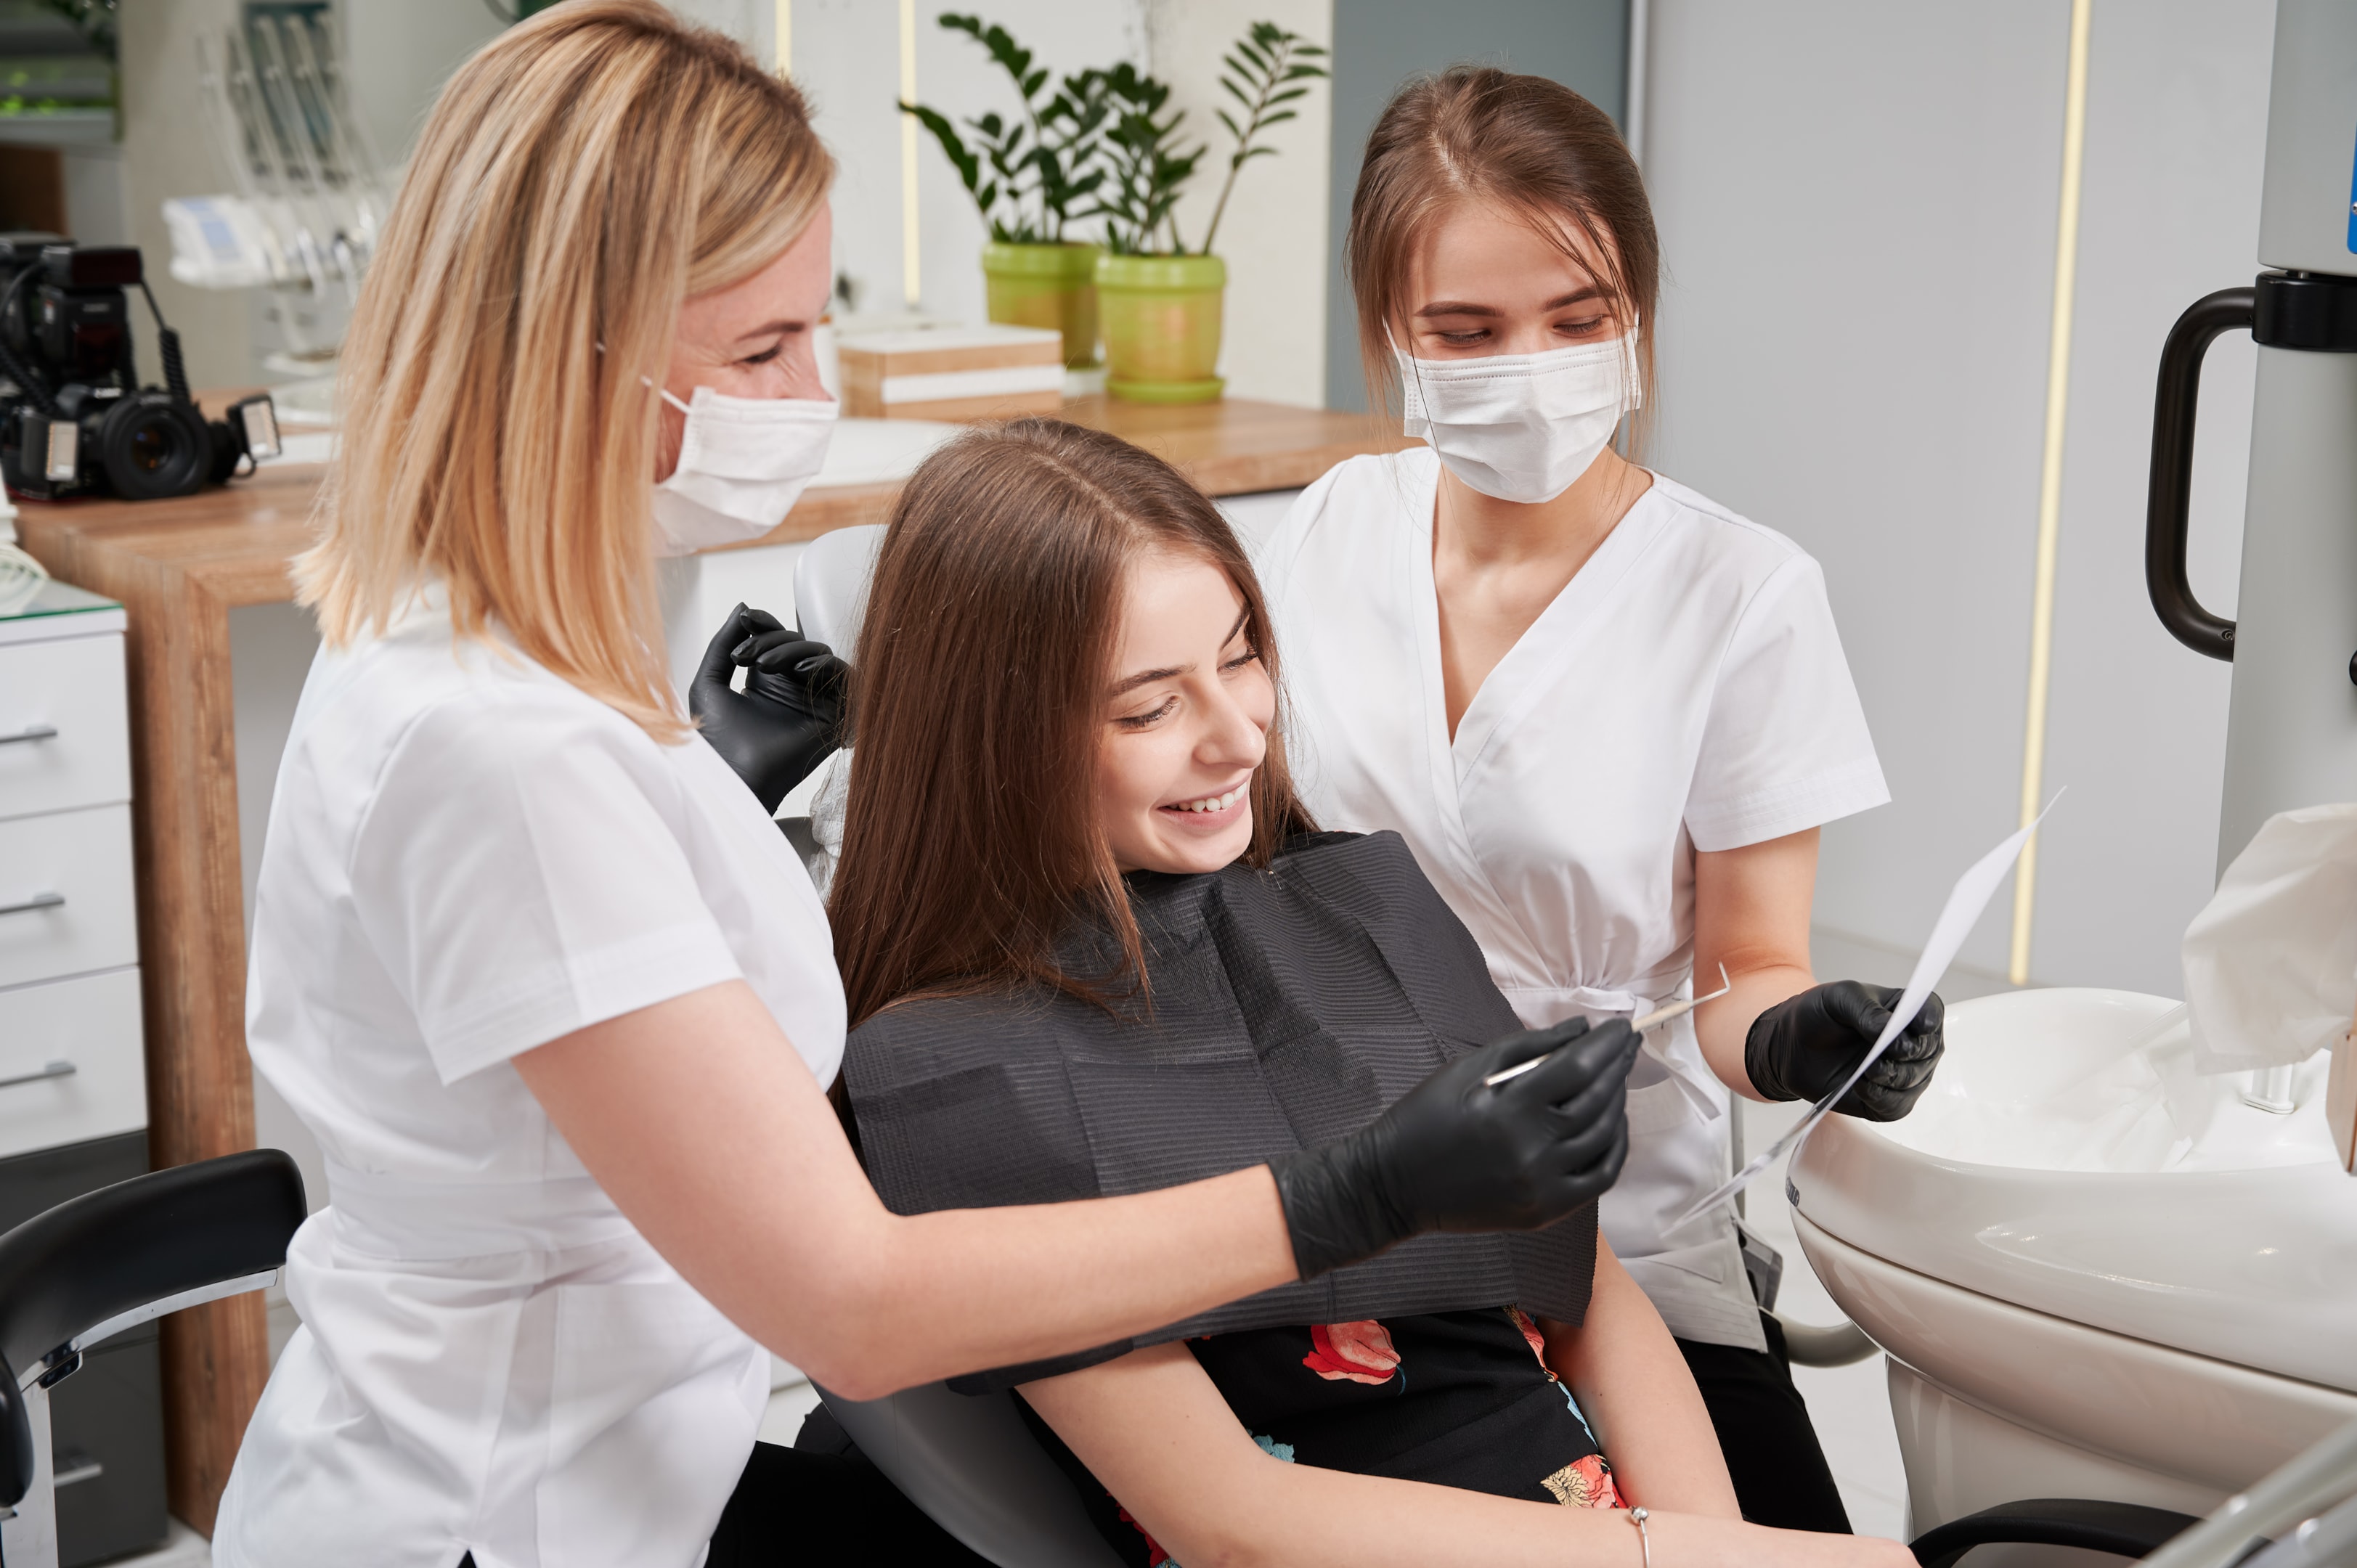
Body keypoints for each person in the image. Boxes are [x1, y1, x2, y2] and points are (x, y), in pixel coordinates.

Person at [211, 15, 1639, 1567]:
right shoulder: (509, 756)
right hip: (505, 1513)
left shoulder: (483, 656)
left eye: (811, 328)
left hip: (625, 1457)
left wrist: (707, 793)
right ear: (570, 356)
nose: (809, 392)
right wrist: (1352, 1192)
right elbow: (853, 1305)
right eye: (759, 351)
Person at [815, 418, 1911, 1568]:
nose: (1239, 737)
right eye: (1148, 708)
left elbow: (1584, 1289)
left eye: (1241, 656)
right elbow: (1232, 1525)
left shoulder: (1354, 909)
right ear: (994, 737)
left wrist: (1714, 1546)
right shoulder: (959, 1072)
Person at [1251, 68, 1945, 1532]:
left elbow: (1747, 969)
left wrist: (1801, 1035)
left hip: (1615, 1219)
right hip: (1334, 1195)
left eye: (1580, 319)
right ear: (1387, 332)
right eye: (1467, 333)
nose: (1531, 369)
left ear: (1637, 310)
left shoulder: (1741, 594)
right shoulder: (1327, 531)